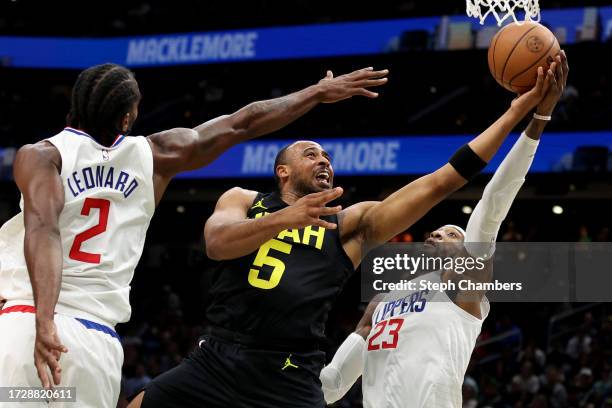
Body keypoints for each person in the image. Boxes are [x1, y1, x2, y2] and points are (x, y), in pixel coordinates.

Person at [129, 52, 567, 408]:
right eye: (311, 153)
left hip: (290, 369)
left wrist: (514, 114)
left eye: (327, 156)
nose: (324, 160)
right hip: (220, 354)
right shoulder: (243, 199)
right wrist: (288, 217)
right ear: (283, 171)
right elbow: (217, 244)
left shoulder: (350, 226)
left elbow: (443, 181)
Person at [0, 62, 388, 408]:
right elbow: (244, 121)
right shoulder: (155, 154)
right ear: (128, 118)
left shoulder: (41, 155)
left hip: (27, 323)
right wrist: (316, 92)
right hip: (94, 341)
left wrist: (45, 322)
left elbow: (43, 229)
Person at [319, 52, 569, 408]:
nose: (436, 235)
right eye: (434, 233)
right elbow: (333, 384)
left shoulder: (463, 284)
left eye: (452, 233)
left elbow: (495, 199)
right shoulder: (381, 300)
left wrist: (539, 119)